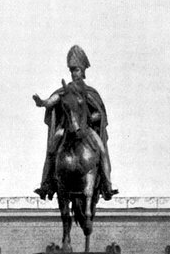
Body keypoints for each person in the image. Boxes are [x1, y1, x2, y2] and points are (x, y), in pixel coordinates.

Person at [32, 45, 116, 201]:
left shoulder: (89, 92)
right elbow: (52, 101)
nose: (73, 73)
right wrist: (42, 102)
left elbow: (100, 113)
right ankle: (46, 184)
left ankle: (107, 186)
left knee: (102, 150)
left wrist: (92, 118)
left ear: (82, 71)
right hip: (66, 129)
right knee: (52, 148)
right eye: (71, 70)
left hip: (86, 130)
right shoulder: (65, 90)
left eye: (76, 70)